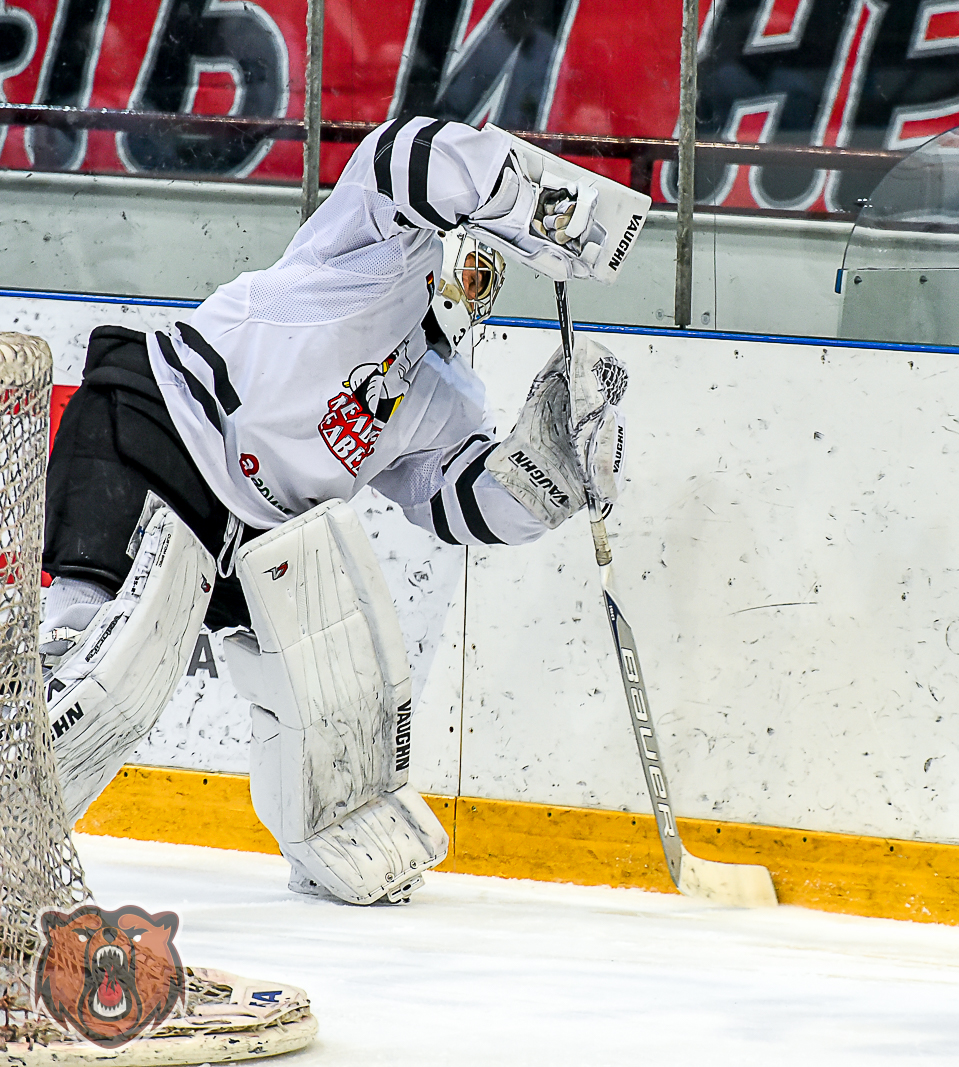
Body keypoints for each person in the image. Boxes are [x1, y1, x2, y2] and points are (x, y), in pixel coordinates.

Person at [40, 115, 648, 905]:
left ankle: (337, 826)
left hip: (256, 539)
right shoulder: (376, 251)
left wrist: (551, 470)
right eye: (478, 267)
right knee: (95, 675)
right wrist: (541, 203)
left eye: (491, 283)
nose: (476, 289)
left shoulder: (441, 396)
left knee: (344, 692)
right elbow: (409, 155)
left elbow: (464, 502)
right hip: (161, 429)